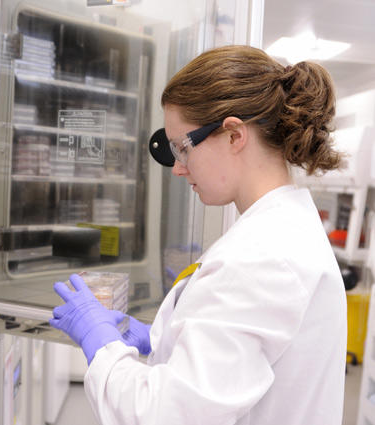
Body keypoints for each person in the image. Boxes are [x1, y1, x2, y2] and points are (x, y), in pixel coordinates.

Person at [50, 45, 347, 425]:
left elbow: (163, 416)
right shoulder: (280, 231)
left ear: (234, 135)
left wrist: (103, 346)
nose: (178, 168)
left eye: (182, 148)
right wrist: (161, 338)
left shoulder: (262, 258)